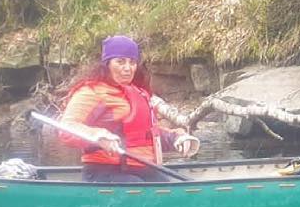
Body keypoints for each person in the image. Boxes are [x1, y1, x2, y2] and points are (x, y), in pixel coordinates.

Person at [59, 35, 200, 183]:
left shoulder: (139, 93)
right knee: (137, 186)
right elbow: (66, 129)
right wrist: (97, 136)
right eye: (120, 62)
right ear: (107, 64)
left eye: (132, 62)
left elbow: (148, 134)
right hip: (104, 172)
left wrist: (177, 137)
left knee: (165, 185)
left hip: (143, 169)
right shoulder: (90, 92)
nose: (127, 68)